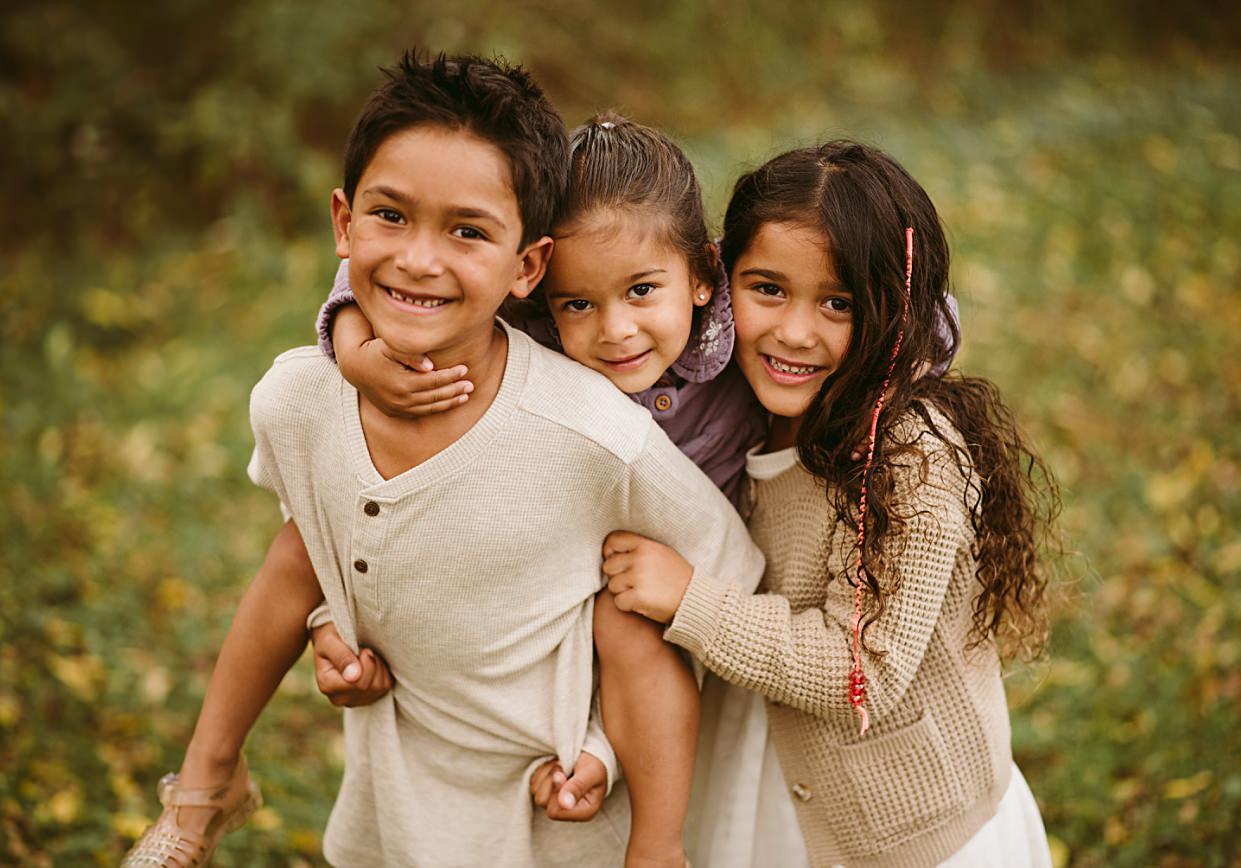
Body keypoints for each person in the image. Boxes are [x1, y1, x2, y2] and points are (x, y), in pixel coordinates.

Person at [125, 53, 764, 868]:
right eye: (390, 217)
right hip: (394, 807)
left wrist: (607, 739)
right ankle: (201, 796)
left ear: (526, 266)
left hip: (560, 810)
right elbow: (323, 546)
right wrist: (331, 625)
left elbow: (723, 573)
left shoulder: (593, 428)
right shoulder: (297, 401)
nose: (421, 260)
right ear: (342, 221)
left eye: (467, 231)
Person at [317, 112, 780, 867]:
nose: (615, 330)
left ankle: (657, 848)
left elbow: (885, 303)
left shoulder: (735, 343)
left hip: (681, 580)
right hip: (551, 579)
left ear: (703, 275)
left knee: (625, 619)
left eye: (641, 291)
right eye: (579, 304)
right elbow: (386, 272)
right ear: (538, 284)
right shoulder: (525, 330)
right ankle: (588, 752)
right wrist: (352, 341)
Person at [602, 141, 1059, 867]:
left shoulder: (910, 452)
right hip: (775, 792)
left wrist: (689, 599)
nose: (794, 331)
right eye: (768, 289)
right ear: (720, 285)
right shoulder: (728, 405)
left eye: (837, 303)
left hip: (917, 839)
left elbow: (860, 671)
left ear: (888, 312)